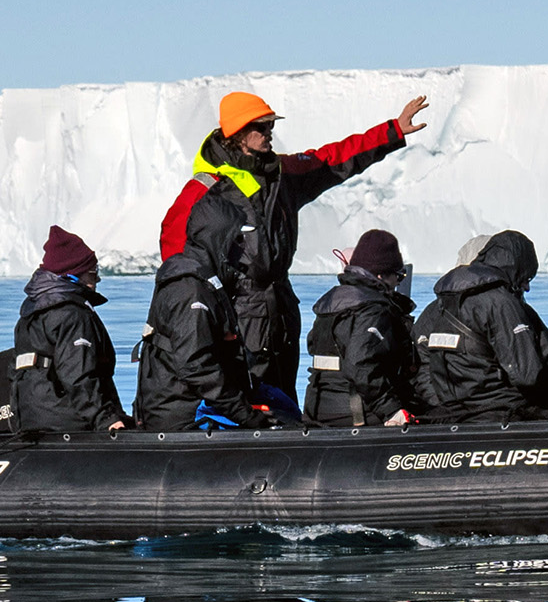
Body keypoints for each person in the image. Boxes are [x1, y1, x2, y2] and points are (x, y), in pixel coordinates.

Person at [159, 90, 429, 400]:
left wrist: (392, 132)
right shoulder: (205, 189)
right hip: (235, 310)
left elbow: (334, 159)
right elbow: (174, 251)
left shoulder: (283, 175)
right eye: (261, 127)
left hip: (281, 310)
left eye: (271, 126)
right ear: (237, 133)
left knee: (282, 398)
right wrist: (194, 310)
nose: (269, 134)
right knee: (245, 397)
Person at [414, 229, 548, 422]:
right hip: (500, 409)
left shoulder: (438, 306)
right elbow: (527, 374)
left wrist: (439, 403)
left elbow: (422, 363)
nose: (526, 287)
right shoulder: (500, 302)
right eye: (526, 279)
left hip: (451, 412)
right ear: (515, 270)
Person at [133, 212, 254, 431]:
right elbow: (196, 366)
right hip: (185, 417)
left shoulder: (203, 283)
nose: (243, 247)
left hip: (188, 407)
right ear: (219, 239)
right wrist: (244, 414)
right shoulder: (191, 291)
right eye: (237, 239)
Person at [8, 226, 130, 431]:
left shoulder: (30, 313)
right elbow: (77, 374)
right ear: (73, 275)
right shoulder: (73, 315)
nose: (97, 280)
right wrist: (107, 420)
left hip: (30, 419)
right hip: (67, 422)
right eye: (93, 273)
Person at [303, 230, 420, 427]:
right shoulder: (373, 309)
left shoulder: (331, 302)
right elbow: (360, 364)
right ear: (382, 275)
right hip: (356, 412)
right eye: (399, 276)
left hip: (318, 408)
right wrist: (391, 411)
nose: (398, 283)